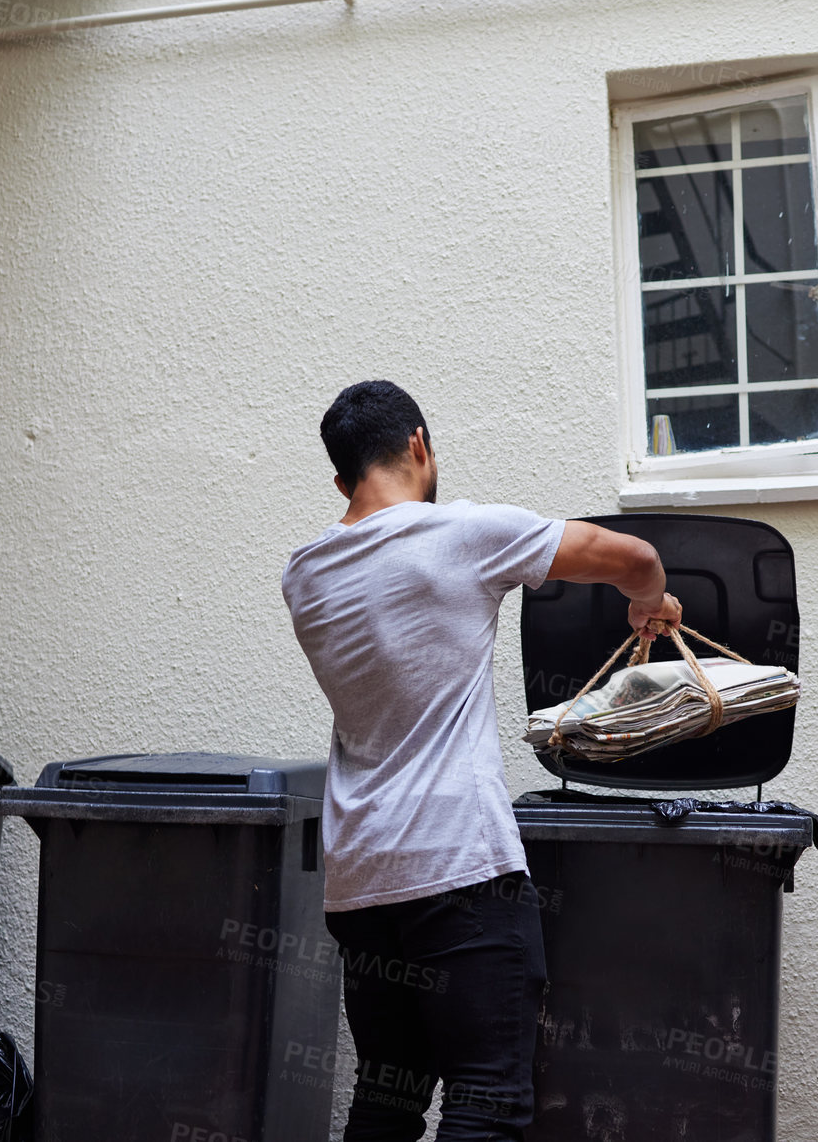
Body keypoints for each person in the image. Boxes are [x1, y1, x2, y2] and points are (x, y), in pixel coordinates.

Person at [280, 380, 683, 1141]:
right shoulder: (461, 535)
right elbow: (633, 556)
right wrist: (649, 601)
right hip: (459, 867)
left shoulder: (303, 575)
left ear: (339, 481)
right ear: (419, 446)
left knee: (387, 1095)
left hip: (361, 880)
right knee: (487, 1097)